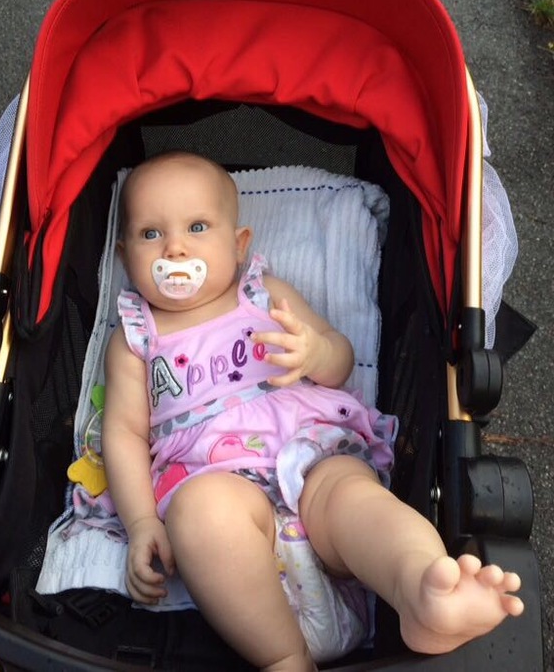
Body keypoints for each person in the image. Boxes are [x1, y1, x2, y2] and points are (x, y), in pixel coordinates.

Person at [101, 151, 524, 672]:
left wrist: (314, 353)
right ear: (124, 255)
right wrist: (142, 521)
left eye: (197, 227)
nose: (175, 248)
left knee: (354, 499)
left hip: (308, 459)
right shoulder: (136, 338)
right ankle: (286, 657)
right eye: (151, 234)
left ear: (238, 244)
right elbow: (123, 433)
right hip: (216, 484)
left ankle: (420, 588)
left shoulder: (264, 294)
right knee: (201, 516)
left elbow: (339, 357)